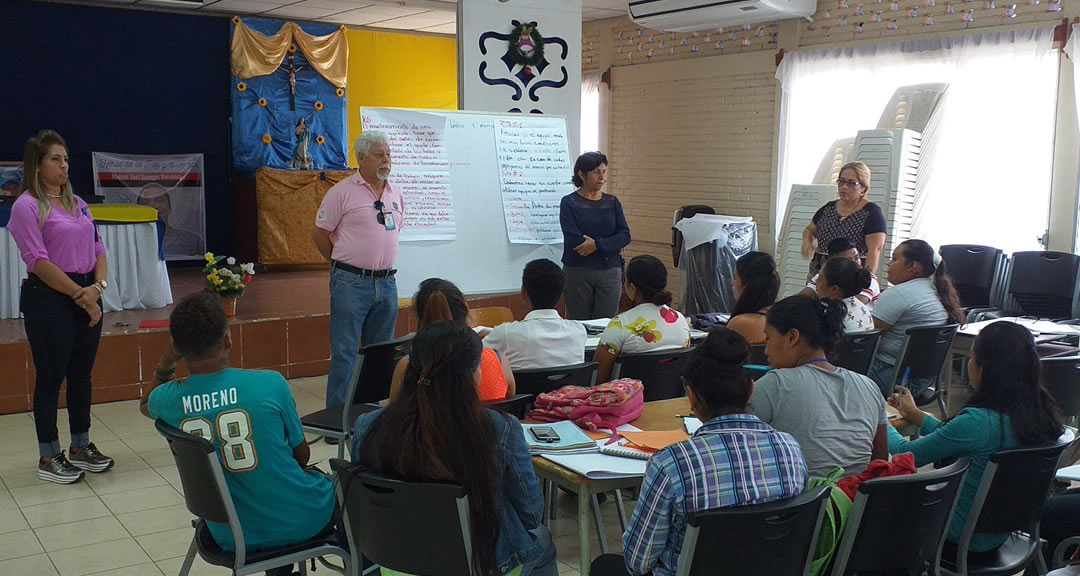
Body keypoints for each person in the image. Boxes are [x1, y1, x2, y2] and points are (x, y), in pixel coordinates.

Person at [141, 292, 336, 575]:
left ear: (179, 347)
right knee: (353, 492)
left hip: (228, 535)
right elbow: (301, 456)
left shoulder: (169, 400)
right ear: (228, 340)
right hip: (297, 520)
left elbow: (145, 404)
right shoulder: (270, 384)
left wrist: (166, 360)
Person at [590, 329, 808, 576]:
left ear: (691, 397)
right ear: (750, 390)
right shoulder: (790, 449)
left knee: (605, 566)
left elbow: (637, 562)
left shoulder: (672, 464)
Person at [352, 321, 557, 576]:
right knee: (543, 541)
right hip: (480, 565)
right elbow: (530, 512)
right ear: (474, 374)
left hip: (395, 565)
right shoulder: (499, 429)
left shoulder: (368, 427)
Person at [888, 321, 1063, 558]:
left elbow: (906, 454)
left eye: (971, 357)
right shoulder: (1042, 415)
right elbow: (956, 436)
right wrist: (917, 416)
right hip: (1002, 534)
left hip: (956, 538)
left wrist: (878, 415)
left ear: (984, 367)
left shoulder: (977, 422)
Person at [8, 130, 114, 484]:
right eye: (55, 159)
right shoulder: (26, 206)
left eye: (66, 159)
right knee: (51, 377)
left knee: (81, 375)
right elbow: (37, 260)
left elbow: (98, 248)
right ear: (37, 166)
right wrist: (78, 295)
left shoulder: (79, 202)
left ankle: (81, 446)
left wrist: (96, 289)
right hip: (49, 297)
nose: (64, 165)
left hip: (87, 294)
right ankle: (49, 453)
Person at [313, 130, 404, 413]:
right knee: (345, 352)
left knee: (380, 353)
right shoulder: (341, 192)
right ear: (361, 158)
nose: (386, 160)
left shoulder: (395, 192)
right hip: (351, 282)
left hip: (387, 282)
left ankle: (369, 414)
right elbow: (319, 234)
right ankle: (337, 416)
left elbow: (394, 231)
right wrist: (340, 265)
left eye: (388, 154)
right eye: (379, 154)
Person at [751, 295, 889, 477]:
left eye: (768, 338)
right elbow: (880, 463)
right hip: (855, 500)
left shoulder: (776, 383)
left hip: (802, 502)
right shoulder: (869, 386)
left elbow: (739, 451)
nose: (766, 350)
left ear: (792, 337)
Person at [389, 278, 515, 402]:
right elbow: (511, 407)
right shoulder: (499, 361)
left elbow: (395, 415)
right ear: (466, 309)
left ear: (420, 317)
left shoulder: (407, 366)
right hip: (486, 422)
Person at [869, 239, 965, 397]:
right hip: (922, 382)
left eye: (894, 259)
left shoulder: (899, 293)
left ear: (913, 266)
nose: (888, 264)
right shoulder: (938, 291)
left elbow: (868, 337)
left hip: (892, 379)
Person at [595, 255, 691, 384]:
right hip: (671, 399)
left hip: (630, 401)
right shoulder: (680, 320)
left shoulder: (620, 324)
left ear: (633, 288)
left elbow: (598, 378)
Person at [559, 151, 631, 320]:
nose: (602, 177)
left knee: (605, 324)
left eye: (604, 172)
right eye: (596, 172)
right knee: (580, 323)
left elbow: (624, 235)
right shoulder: (569, 202)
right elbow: (574, 240)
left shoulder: (612, 202)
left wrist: (597, 244)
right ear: (582, 175)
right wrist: (610, 245)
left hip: (610, 270)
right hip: (578, 270)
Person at [483, 259, 587, 370]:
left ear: (524, 294)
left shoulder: (505, 334)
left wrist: (491, 334)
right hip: (568, 387)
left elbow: (475, 356)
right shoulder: (579, 331)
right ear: (560, 295)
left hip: (523, 388)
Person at [801, 161, 887, 282]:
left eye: (852, 183)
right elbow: (810, 230)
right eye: (841, 181)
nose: (844, 187)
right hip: (820, 273)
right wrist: (807, 242)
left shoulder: (871, 213)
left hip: (850, 276)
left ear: (863, 188)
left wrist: (866, 281)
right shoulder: (828, 208)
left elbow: (874, 251)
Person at [800, 237, 881, 305]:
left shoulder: (868, 278)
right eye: (848, 260)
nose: (856, 262)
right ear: (833, 261)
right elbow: (804, 296)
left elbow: (852, 306)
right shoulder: (824, 275)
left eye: (857, 257)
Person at [136, 182, 203, 258]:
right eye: (145, 202)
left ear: (170, 209)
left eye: (159, 200)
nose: (153, 206)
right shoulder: (131, 242)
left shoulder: (193, 241)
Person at [725, 251, 779, 345]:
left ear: (746, 285)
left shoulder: (741, 322)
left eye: (735, 277)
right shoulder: (776, 315)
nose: (732, 283)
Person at [815, 256, 875, 334]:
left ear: (834, 289)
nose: (816, 281)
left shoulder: (829, 314)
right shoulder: (864, 310)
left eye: (819, 278)